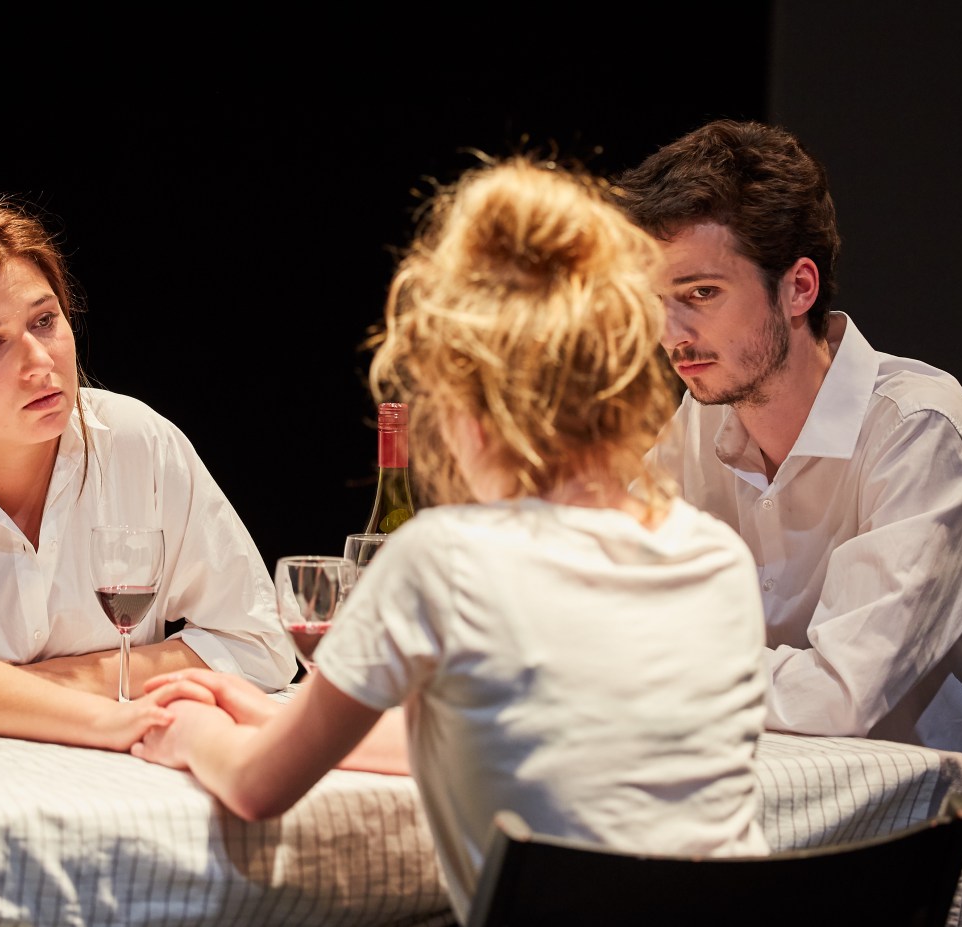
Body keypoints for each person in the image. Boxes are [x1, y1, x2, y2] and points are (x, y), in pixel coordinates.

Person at [130, 153, 772, 923]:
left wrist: (193, 732)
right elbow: (514, 739)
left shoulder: (444, 558)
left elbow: (257, 786)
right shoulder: (716, 556)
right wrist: (273, 715)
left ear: (470, 400)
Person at [613, 119, 962, 926]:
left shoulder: (916, 428)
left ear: (798, 287)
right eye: (657, 301)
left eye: (700, 295)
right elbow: (609, 603)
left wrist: (668, 669)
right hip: (799, 859)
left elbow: (837, 698)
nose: (671, 335)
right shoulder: (699, 422)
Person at [0, 196, 296, 749]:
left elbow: (258, 641)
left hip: (100, 773)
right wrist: (124, 710)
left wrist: (62, 681)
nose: (40, 361)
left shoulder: (135, 441)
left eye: (44, 321)